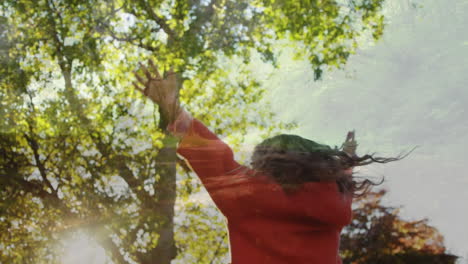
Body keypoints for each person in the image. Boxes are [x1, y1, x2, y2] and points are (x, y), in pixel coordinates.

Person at [133, 60, 404, 264]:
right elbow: (340, 181)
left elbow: (213, 155)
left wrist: (171, 106)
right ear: (316, 164)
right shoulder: (332, 200)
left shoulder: (248, 195)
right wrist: (346, 159)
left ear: (266, 164)